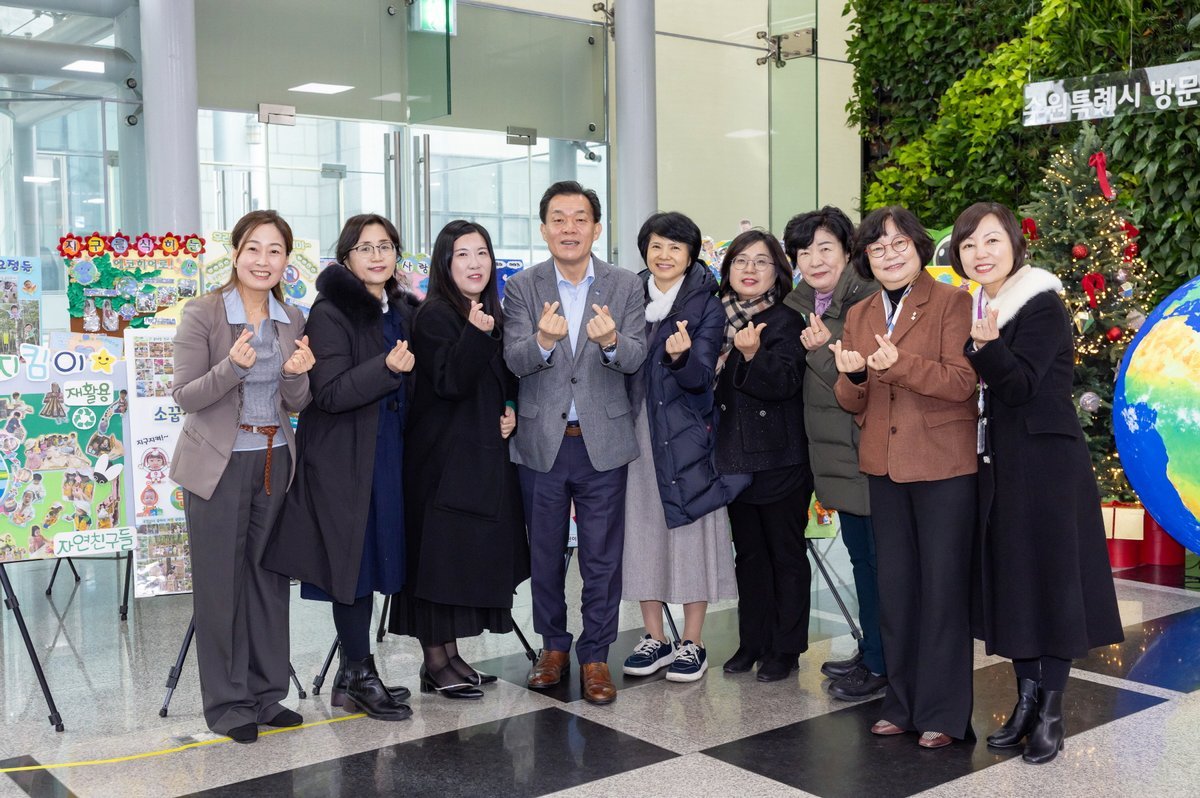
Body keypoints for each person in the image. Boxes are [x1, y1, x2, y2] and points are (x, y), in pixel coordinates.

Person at [951, 201, 1124, 764]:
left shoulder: (1041, 302)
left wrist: (986, 348)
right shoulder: (985, 305)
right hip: (1001, 464)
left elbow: (1023, 385)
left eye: (991, 241)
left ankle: (1051, 711)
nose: (980, 253)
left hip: (1046, 466)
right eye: (969, 244)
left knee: (1050, 582)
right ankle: (1024, 702)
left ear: (1014, 246)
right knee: (1015, 582)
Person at [830, 205, 977, 749]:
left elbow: (962, 382)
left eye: (899, 244)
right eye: (877, 248)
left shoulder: (953, 302)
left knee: (942, 590)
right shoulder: (861, 312)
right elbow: (853, 400)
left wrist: (897, 365)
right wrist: (852, 378)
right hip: (884, 465)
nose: (889, 255)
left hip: (942, 465)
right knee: (896, 590)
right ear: (866, 258)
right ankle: (902, 703)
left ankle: (943, 713)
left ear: (918, 247)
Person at [263, 213, 416, 722]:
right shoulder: (330, 313)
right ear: (346, 257)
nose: (377, 255)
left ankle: (353, 677)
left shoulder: (398, 309)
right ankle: (359, 674)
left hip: (385, 453)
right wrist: (386, 369)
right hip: (343, 459)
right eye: (365, 247)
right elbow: (326, 393)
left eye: (385, 246)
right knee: (353, 565)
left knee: (373, 560)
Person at [171, 209, 314, 744]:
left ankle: (266, 695)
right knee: (220, 586)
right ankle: (229, 705)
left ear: (286, 260)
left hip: (274, 460)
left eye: (275, 251)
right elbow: (185, 394)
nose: (263, 260)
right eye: (253, 248)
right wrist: (231, 366)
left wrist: (297, 375)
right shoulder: (204, 313)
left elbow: (296, 400)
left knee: (268, 581)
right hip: (218, 463)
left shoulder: (291, 317)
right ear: (235, 254)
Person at [502, 181, 647, 705]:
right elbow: (514, 359)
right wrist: (543, 340)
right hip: (542, 441)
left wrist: (611, 343)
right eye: (559, 219)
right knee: (543, 553)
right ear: (544, 229)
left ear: (596, 228)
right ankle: (553, 647)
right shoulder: (522, 287)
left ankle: (595, 654)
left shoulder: (625, 285)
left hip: (601, 441)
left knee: (601, 557)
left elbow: (636, 357)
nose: (569, 228)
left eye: (580, 218)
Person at [388, 220, 530, 699]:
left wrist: (509, 407)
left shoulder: (489, 312)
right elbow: (450, 381)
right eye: (463, 255)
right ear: (445, 264)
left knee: (457, 561)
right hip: (439, 463)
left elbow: (505, 379)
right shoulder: (434, 315)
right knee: (436, 562)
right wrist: (474, 333)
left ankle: (448, 657)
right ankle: (435, 662)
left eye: (482, 253)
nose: (475, 264)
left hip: (478, 460)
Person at [619, 212, 741, 684]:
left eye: (675, 247)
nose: (664, 255)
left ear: (691, 255)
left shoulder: (706, 304)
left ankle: (693, 641)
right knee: (641, 530)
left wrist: (681, 357)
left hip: (686, 434)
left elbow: (702, 378)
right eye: (656, 246)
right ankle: (654, 637)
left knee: (692, 531)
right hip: (637, 434)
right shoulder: (628, 296)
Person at [782, 207, 887, 701]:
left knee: (877, 565)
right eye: (804, 252)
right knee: (862, 560)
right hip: (839, 459)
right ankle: (872, 650)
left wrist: (822, 349)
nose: (815, 260)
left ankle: (883, 662)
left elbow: (861, 383)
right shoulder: (808, 304)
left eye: (825, 248)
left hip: (866, 453)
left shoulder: (867, 301)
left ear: (848, 251)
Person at [713, 229, 813, 682]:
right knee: (749, 557)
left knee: (785, 555)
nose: (749, 270)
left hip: (780, 459)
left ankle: (785, 648)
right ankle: (751, 641)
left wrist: (754, 356)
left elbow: (787, 382)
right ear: (728, 269)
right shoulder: (716, 318)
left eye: (761, 262)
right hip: (734, 457)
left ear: (778, 272)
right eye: (741, 261)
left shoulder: (788, 319)